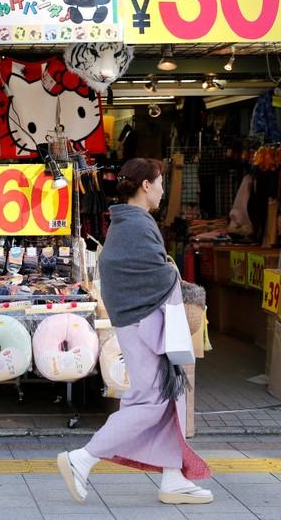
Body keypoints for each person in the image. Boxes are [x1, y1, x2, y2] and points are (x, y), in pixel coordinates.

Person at [57, 158, 213, 505]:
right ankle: (83, 458)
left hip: (138, 320)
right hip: (144, 321)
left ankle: (173, 477)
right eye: (158, 183)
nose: (161, 190)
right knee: (150, 400)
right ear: (145, 186)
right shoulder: (136, 225)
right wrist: (174, 277)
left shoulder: (128, 222)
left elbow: (128, 270)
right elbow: (155, 273)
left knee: (166, 398)